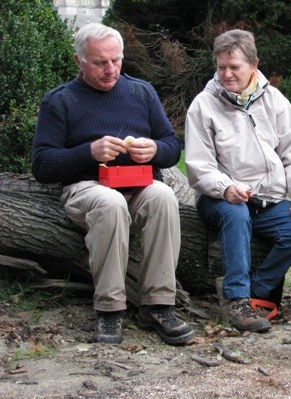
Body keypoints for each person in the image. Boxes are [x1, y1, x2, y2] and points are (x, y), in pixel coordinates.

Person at [31, 23, 194, 346]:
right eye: (100, 62)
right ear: (79, 60)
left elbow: (172, 146)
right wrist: (88, 152)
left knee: (163, 196)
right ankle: (110, 309)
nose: (110, 70)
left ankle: (159, 305)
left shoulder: (140, 92)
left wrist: (156, 150)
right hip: (87, 187)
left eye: (116, 61)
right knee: (110, 204)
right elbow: (42, 164)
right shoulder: (60, 101)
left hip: (138, 183)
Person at [185, 29, 291, 333]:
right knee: (235, 213)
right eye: (221, 68)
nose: (227, 74)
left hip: (267, 200)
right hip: (218, 198)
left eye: (235, 67)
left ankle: (256, 290)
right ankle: (236, 299)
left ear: (253, 65)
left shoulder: (274, 100)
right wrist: (226, 188)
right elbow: (198, 167)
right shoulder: (203, 105)